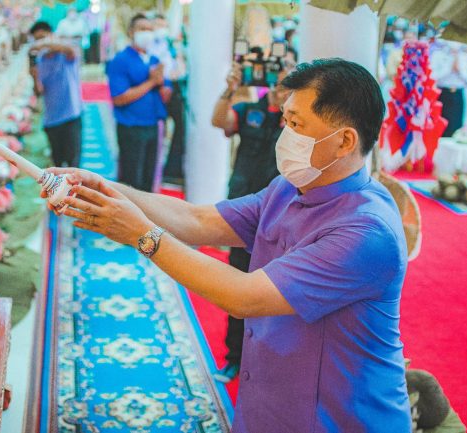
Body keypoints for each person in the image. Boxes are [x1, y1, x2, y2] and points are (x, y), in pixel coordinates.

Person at [47, 58, 412, 432]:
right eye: (285, 119)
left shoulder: (367, 231)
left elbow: (244, 296)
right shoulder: (289, 188)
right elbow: (198, 220)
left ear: (344, 141)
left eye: (297, 125)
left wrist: (141, 234)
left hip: (334, 418)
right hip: (269, 405)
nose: (284, 134)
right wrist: (104, 187)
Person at [209, 63, 290, 383]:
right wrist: (229, 88)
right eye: (280, 82)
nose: (283, 90)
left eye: (290, 85)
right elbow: (219, 121)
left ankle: (269, 361)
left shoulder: (298, 122)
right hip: (244, 211)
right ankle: (235, 358)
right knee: (238, 285)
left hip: (282, 215)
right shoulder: (250, 110)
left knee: (274, 291)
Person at [106, 13, 171, 192]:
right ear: (131, 32)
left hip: (152, 125)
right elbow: (119, 98)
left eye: (150, 29)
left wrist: (164, 87)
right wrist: (150, 82)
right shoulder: (120, 61)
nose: (147, 33)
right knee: (130, 180)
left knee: (148, 179)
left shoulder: (154, 60)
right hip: (131, 127)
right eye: (142, 29)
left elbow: (165, 94)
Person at [29, 21, 83, 168]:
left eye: (43, 38)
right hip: (52, 120)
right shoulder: (39, 61)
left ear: (52, 36)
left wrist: (47, 43)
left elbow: (73, 50)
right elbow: (39, 91)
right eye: (37, 39)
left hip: (71, 116)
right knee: (57, 163)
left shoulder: (65, 55)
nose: (41, 43)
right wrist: (34, 76)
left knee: (73, 164)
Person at [150, 14, 186, 185]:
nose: (161, 29)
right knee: (158, 132)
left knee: (180, 127)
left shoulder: (169, 45)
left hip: (172, 88)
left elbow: (178, 68)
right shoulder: (149, 47)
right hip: (156, 91)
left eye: (163, 25)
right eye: (158, 25)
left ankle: (171, 169)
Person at [430, 40, 467, 137]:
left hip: (457, 93)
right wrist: (448, 68)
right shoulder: (438, 54)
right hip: (442, 93)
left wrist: (460, 70)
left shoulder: (466, 57)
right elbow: (432, 76)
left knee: (456, 125)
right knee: (440, 125)